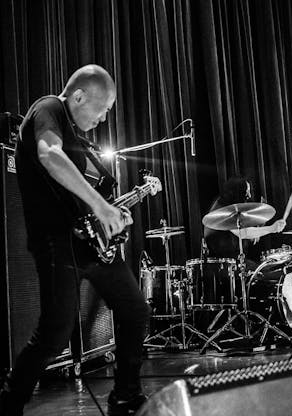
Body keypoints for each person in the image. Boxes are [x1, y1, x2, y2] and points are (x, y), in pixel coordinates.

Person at [0, 65, 150, 415]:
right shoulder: (48, 108)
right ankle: (8, 404)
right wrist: (100, 207)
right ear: (79, 96)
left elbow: (82, 194)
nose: (103, 118)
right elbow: (49, 154)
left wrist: (113, 215)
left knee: (134, 310)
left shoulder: (82, 140)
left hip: (89, 244)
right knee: (54, 333)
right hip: (56, 242)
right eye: (102, 109)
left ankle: (126, 397)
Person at [203, 176, 286, 262]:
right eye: (246, 191)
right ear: (237, 192)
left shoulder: (228, 205)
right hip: (224, 262)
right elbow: (243, 233)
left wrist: (257, 231)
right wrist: (272, 228)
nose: (249, 195)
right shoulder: (224, 208)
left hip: (233, 260)